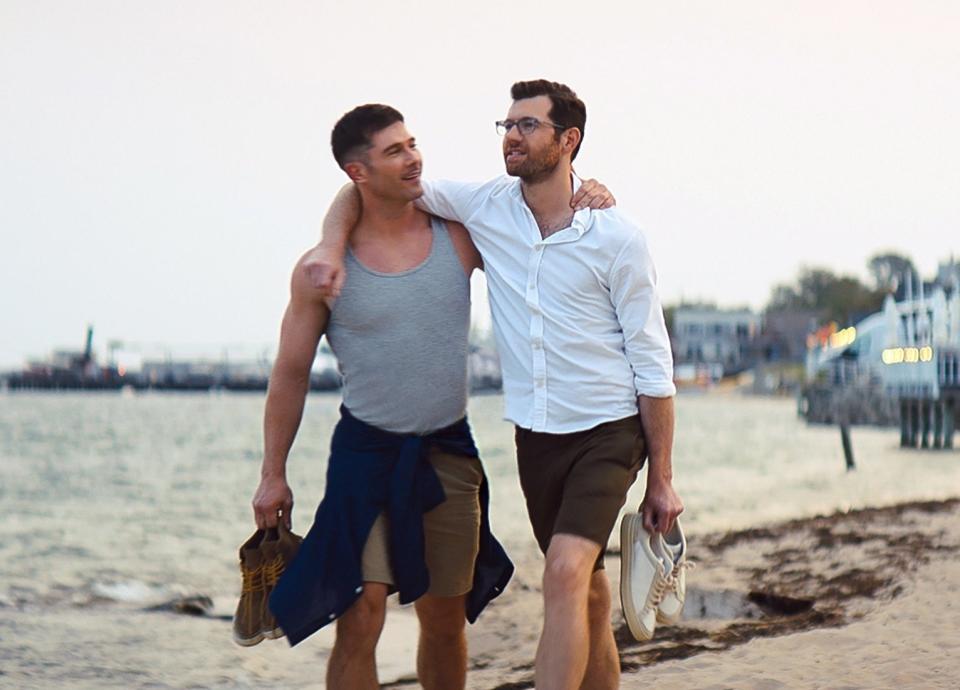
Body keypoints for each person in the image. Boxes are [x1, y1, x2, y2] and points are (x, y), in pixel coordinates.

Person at [306, 80, 683, 690]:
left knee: (562, 573)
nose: (512, 135)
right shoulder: (484, 207)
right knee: (584, 590)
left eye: (528, 125)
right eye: (507, 125)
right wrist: (329, 241)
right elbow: (370, 184)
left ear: (568, 140)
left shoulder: (618, 238)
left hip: (608, 431)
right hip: (536, 438)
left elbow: (652, 363)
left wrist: (662, 478)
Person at [250, 103, 607, 690]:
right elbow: (289, 374)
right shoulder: (320, 271)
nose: (414, 158)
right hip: (364, 454)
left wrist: (586, 187)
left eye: (412, 143)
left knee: (444, 619)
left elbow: (542, 202)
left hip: (448, 454)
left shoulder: (461, 235)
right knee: (359, 615)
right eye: (395, 151)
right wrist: (272, 474)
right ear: (358, 172)